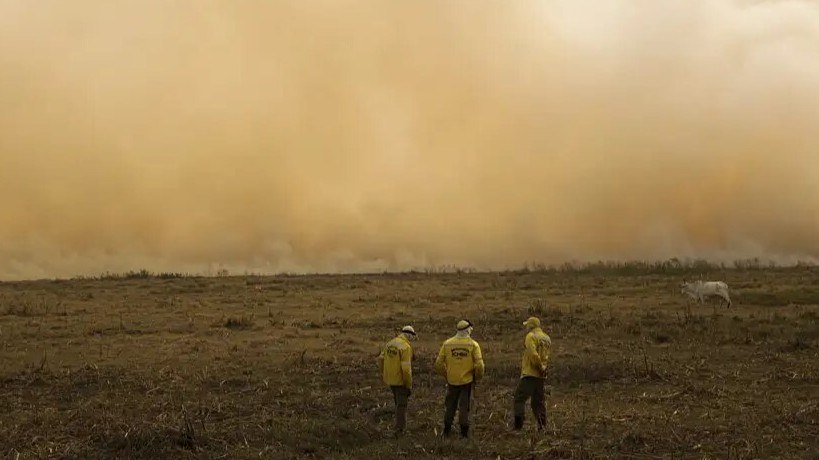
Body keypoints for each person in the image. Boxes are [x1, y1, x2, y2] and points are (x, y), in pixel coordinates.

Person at [434, 319, 485, 438]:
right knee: (464, 408)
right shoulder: (473, 345)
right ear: (468, 330)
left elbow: (438, 363)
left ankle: (446, 430)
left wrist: (447, 375)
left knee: (450, 406)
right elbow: (480, 365)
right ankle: (464, 434)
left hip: (452, 381)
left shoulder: (447, 343)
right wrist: (477, 377)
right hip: (466, 382)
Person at [513, 316, 551, 431]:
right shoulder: (546, 338)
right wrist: (543, 369)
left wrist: (539, 366)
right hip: (541, 375)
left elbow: (533, 354)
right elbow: (546, 357)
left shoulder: (531, 336)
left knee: (519, 398)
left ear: (530, 326)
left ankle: (518, 427)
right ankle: (542, 426)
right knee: (538, 402)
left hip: (529, 373)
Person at [378, 325, 416, 435]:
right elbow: (406, 369)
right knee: (402, 405)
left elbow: (381, 359)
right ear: (409, 335)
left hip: (390, 379)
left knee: (397, 402)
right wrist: (408, 384)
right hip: (400, 381)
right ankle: (400, 430)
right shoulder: (405, 347)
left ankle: (398, 426)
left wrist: (384, 372)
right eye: (412, 336)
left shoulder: (390, 343)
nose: (412, 339)